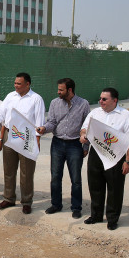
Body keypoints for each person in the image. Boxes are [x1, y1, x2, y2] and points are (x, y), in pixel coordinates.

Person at [0, 72, 45, 214]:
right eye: (15, 83)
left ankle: (26, 201)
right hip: (9, 136)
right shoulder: (10, 96)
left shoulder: (36, 99)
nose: (16, 86)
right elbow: (1, 113)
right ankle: (9, 198)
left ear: (28, 84)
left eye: (19, 84)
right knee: (9, 169)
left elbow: (39, 121)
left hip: (26, 138)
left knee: (26, 172)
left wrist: (37, 140)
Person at [79, 87, 129, 230]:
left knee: (114, 189)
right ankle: (96, 215)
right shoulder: (95, 113)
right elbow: (84, 127)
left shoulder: (126, 115)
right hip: (96, 154)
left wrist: (127, 161)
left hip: (116, 157)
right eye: (100, 98)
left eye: (104, 99)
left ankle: (112, 218)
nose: (101, 101)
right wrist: (83, 135)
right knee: (95, 186)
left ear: (115, 100)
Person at [37, 78, 90, 219]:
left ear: (70, 90)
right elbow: (52, 122)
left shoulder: (83, 104)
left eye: (61, 89)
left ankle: (76, 207)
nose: (58, 92)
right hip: (57, 144)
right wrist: (44, 129)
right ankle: (56, 204)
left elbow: (87, 127)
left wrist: (86, 146)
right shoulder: (55, 103)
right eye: (58, 89)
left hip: (75, 145)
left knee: (76, 179)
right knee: (55, 177)